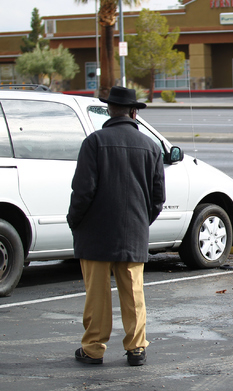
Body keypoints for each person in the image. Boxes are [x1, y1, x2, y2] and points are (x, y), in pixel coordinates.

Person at [67, 86, 165, 366]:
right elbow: (158, 198)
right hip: (133, 231)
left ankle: (93, 348)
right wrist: (140, 222)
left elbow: (83, 191)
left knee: (97, 296)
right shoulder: (151, 147)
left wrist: (75, 221)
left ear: (109, 110)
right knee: (134, 294)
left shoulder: (94, 142)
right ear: (134, 112)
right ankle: (136, 349)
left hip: (95, 233)